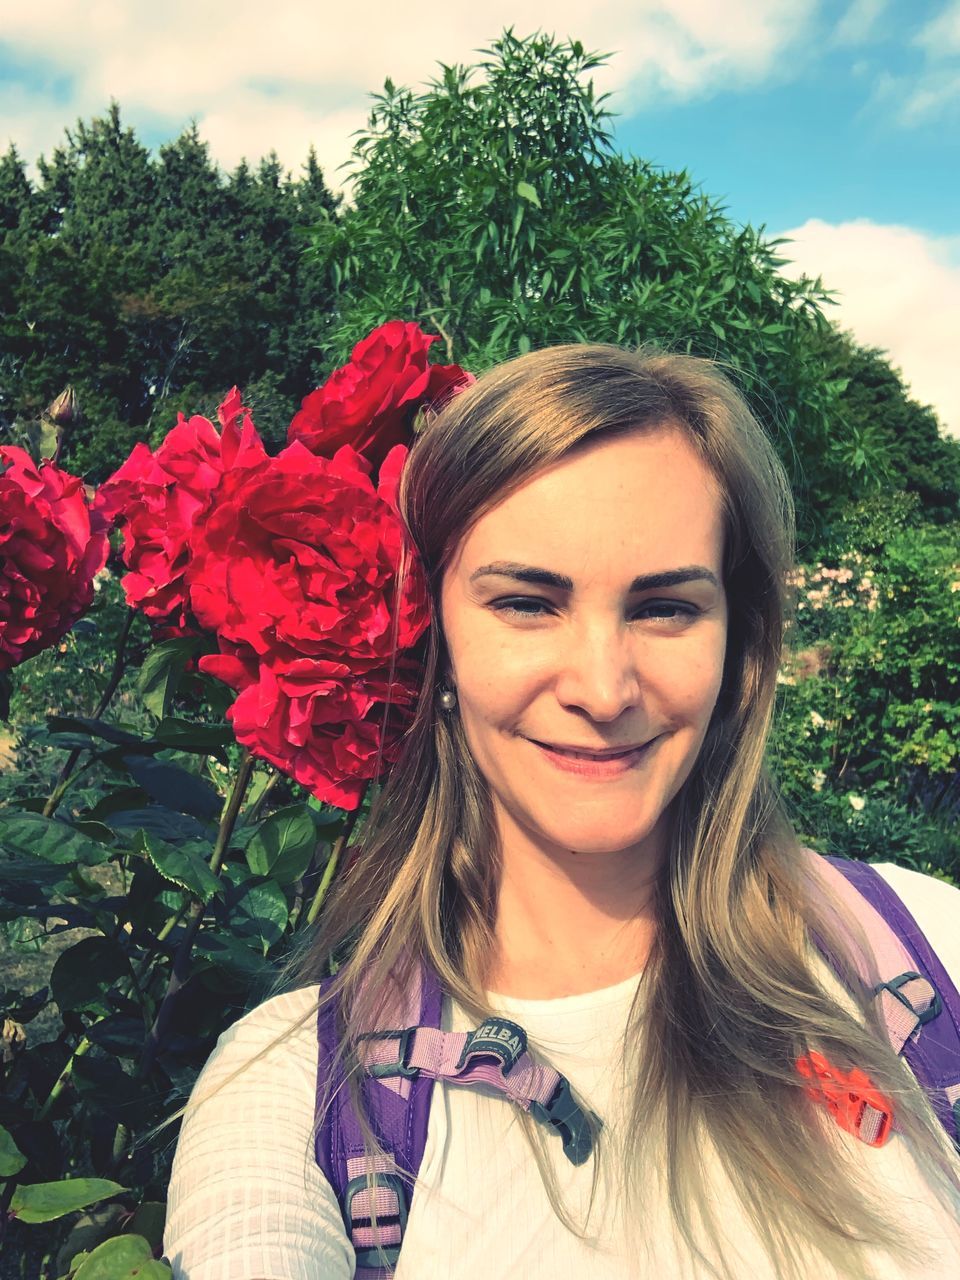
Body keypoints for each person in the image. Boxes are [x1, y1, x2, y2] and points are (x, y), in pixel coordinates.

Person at [163, 343, 960, 1280]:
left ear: (737, 642)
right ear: (432, 635)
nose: (602, 685)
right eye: (527, 603)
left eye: (665, 608)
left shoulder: (923, 952)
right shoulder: (302, 1092)